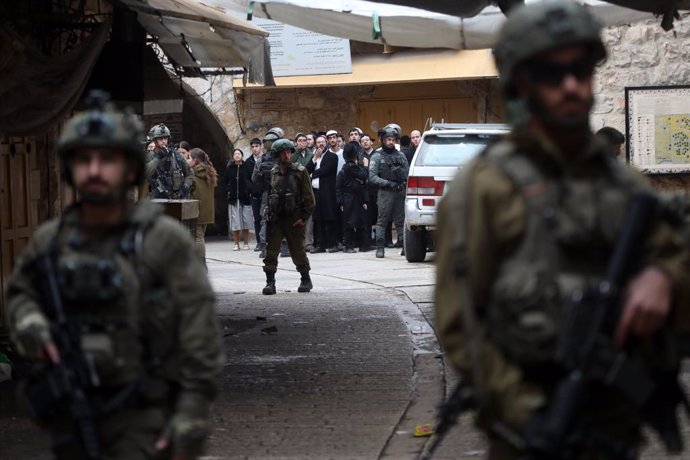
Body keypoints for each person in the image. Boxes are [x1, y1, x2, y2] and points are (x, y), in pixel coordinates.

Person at [434, 2, 690, 459]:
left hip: (615, 430)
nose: (571, 85)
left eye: (580, 69)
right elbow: (462, 327)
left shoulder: (621, 183)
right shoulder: (484, 188)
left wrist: (663, 276)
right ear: (521, 82)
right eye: (552, 73)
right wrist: (532, 417)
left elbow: (673, 252)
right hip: (530, 434)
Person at [5, 90, 221, 460]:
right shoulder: (52, 240)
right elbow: (21, 295)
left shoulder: (162, 240)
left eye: (107, 159)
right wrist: (32, 328)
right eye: (83, 159)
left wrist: (190, 410)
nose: (94, 170)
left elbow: (199, 330)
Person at [261, 139, 315, 295]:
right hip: (277, 218)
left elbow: (309, 197)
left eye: (289, 152)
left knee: (298, 251)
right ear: (277, 155)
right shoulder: (273, 172)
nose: (286, 155)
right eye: (283, 153)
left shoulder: (300, 171)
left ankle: (305, 279)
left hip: (294, 218)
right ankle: (270, 282)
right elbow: (271, 193)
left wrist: (304, 217)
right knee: (271, 251)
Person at [368, 126, 409, 258]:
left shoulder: (401, 155)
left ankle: (404, 246)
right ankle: (380, 247)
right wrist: (389, 184)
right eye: (388, 139)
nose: (391, 142)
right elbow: (372, 177)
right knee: (382, 221)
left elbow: (407, 174)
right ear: (383, 140)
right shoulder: (377, 156)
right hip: (385, 192)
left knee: (401, 221)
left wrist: (402, 183)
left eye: (393, 139)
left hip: (399, 192)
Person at [307, 135, 339, 253]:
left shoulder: (332, 156)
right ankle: (321, 245)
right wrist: (315, 158)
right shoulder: (314, 157)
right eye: (318, 142)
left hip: (328, 192)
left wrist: (312, 175)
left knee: (330, 218)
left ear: (326, 143)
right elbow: (306, 170)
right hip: (316, 192)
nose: (320, 144)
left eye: (322, 142)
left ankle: (333, 244)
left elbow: (326, 170)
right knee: (318, 219)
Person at [336, 143, 369, 253]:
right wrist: (365, 166)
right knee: (351, 223)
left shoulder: (346, 168)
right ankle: (349, 246)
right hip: (350, 199)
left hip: (353, 198)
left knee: (358, 222)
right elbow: (364, 176)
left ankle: (362, 245)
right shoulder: (351, 167)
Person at [145, 123, 193, 199]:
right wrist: (158, 157)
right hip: (156, 200)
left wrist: (184, 189)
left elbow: (190, 173)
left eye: (166, 138)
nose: (164, 141)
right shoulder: (149, 156)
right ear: (154, 140)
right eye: (160, 138)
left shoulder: (176, 155)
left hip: (176, 198)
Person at [189, 147, 218, 262]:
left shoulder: (195, 175)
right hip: (206, 211)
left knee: (198, 237)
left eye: (189, 158)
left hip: (197, 210)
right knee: (200, 236)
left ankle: (201, 262)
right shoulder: (208, 172)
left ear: (195, 160)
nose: (187, 161)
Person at [223, 148, 254, 251]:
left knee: (246, 222)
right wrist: (228, 191)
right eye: (235, 154)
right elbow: (224, 181)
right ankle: (236, 244)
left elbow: (252, 180)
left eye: (238, 154)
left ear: (242, 155)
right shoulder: (230, 168)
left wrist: (249, 190)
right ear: (233, 156)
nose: (237, 155)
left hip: (245, 198)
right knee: (235, 223)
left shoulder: (247, 167)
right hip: (233, 198)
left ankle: (246, 243)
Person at [245, 138, 264, 251]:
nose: (254, 149)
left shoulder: (266, 158)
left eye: (256, 146)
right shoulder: (248, 162)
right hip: (254, 194)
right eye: (252, 147)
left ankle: (267, 240)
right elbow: (246, 179)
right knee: (257, 219)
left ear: (261, 146)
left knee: (266, 218)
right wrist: (252, 190)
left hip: (265, 191)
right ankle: (259, 242)